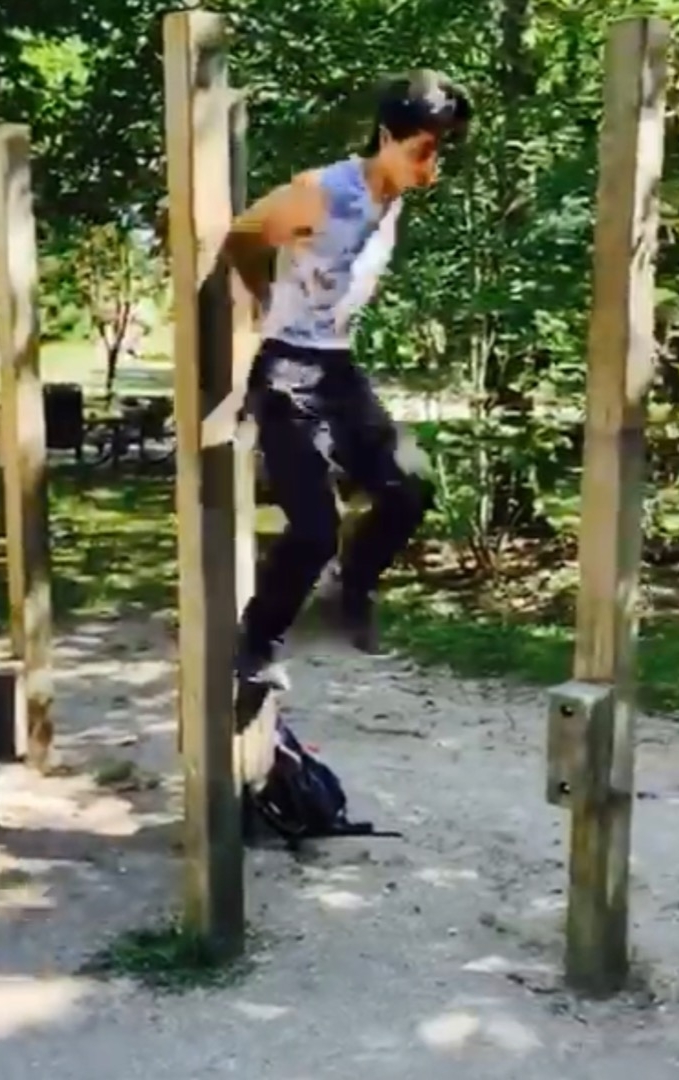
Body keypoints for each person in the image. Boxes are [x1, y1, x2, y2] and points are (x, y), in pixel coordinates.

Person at [225, 69, 472, 690]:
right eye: (422, 148)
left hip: (336, 366)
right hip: (287, 368)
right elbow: (245, 236)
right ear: (386, 137)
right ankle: (256, 642)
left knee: (408, 488)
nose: (432, 163)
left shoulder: (393, 200)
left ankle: (350, 586)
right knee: (314, 529)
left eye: (441, 149)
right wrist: (262, 299)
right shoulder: (323, 190)